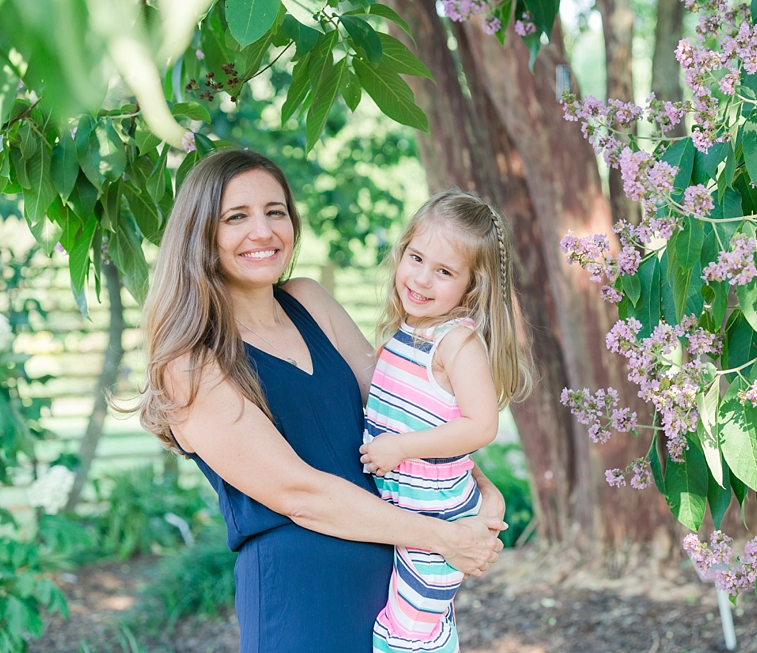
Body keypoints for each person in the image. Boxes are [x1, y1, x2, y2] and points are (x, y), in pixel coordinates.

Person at [134, 150, 506, 653]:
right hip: (303, 604)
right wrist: (441, 537)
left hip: (394, 583)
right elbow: (299, 494)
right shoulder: (191, 365)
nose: (263, 231)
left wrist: (473, 491)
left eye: (276, 211)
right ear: (201, 233)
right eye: (236, 217)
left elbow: (401, 407)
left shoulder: (310, 299)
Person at [359, 191, 532, 653]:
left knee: (411, 635)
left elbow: (481, 427)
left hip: (436, 513)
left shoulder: (456, 343)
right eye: (416, 258)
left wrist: (399, 448)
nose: (421, 278)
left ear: (471, 287)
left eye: (444, 271)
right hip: (403, 504)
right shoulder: (407, 330)